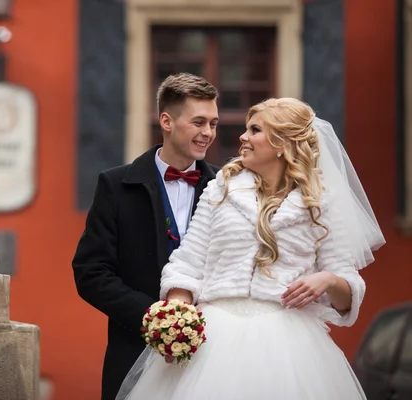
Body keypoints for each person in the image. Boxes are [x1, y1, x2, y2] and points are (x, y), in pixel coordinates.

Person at [116, 97, 386, 400]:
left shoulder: (320, 201)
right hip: (211, 338)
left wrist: (328, 280)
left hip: (290, 347)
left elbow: (346, 287)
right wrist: (176, 318)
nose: (242, 137)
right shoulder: (221, 187)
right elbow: (188, 262)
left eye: (254, 130)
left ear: (282, 143)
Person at [72, 73, 220, 400]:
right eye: (198, 122)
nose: (207, 133)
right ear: (166, 121)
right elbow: (90, 272)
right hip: (133, 351)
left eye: (213, 123)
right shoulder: (115, 185)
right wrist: (157, 319)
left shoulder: (228, 188)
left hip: (214, 352)